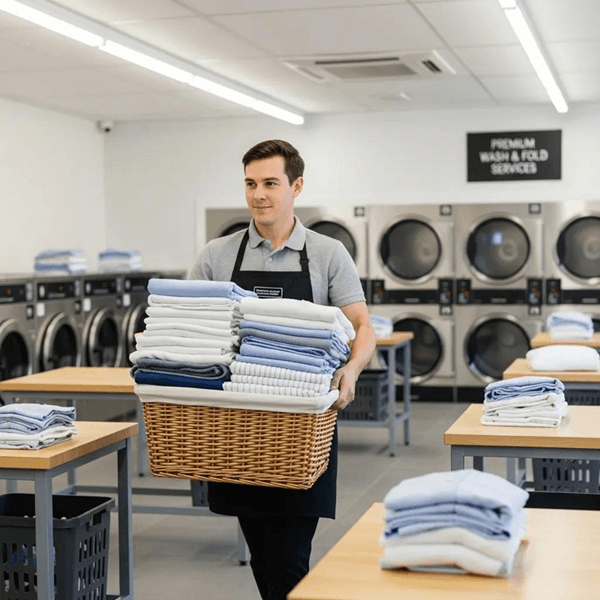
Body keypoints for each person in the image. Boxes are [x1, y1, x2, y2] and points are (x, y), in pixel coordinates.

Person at [190, 139, 376, 600]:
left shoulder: (327, 253)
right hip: (239, 423)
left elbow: (362, 326)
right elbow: (191, 323)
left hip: (303, 426)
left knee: (290, 551)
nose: (258, 195)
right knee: (262, 550)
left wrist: (351, 370)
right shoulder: (218, 255)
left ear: (296, 186)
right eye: (250, 184)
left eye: (270, 183)